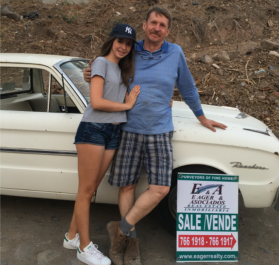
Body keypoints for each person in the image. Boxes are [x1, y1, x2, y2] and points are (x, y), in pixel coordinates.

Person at [84, 6, 227, 265]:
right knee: (127, 185)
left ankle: (121, 230)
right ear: (145, 24)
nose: (157, 28)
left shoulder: (175, 53)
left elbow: (187, 86)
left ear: (167, 30)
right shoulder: (131, 49)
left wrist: (201, 117)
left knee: (160, 188)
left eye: (162, 25)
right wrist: (89, 73)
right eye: (153, 23)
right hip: (128, 128)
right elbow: (108, 69)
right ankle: (130, 244)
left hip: (160, 130)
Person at [63, 23, 140, 265]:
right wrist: (127, 106)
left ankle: (71, 236)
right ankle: (84, 248)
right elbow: (96, 101)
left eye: (128, 44)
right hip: (94, 129)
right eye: (120, 41)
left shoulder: (123, 69)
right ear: (111, 41)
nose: (124, 47)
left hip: (113, 132)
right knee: (86, 190)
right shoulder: (100, 62)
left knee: (90, 189)